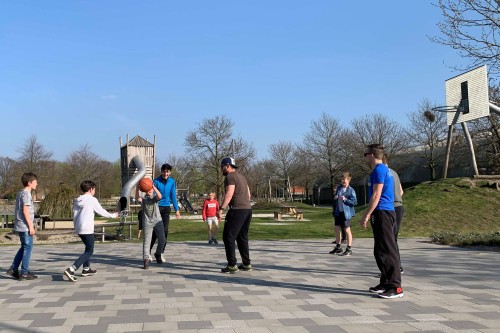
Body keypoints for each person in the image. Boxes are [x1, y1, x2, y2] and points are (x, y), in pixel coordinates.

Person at [360, 144, 403, 299]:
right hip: (382, 212)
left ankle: (395, 287)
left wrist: (365, 215)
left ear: (371, 155)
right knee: (380, 250)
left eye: (365, 154)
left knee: (388, 249)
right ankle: (385, 282)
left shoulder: (379, 170)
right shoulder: (384, 169)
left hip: (383, 212)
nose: (364, 157)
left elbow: (376, 195)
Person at [64, 180, 119, 282]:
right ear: (90, 189)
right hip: (87, 228)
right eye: (94, 189)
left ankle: (86, 269)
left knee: (87, 247)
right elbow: (101, 211)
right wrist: (113, 215)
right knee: (90, 250)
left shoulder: (78, 200)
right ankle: (72, 269)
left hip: (79, 228)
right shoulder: (91, 200)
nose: (95, 191)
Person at [219, 157, 252, 273]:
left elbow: (229, 193)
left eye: (222, 166)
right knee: (242, 237)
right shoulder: (242, 177)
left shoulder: (230, 177)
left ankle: (232, 265)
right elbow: (248, 194)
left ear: (227, 166)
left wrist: (221, 208)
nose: (221, 169)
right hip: (247, 209)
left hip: (237, 210)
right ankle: (246, 263)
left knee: (228, 237)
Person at [6, 172, 39, 280]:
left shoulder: (20, 193)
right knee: (28, 248)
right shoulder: (26, 194)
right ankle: (24, 272)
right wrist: (31, 227)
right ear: (29, 183)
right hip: (24, 226)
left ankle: (14, 269)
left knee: (24, 247)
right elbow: (25, 211)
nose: (37, 184)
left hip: (20, 225)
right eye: (35, 182)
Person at [151, 163, 181, 261]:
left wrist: (177, 210)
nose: (166, 173)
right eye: (164, 171)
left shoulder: (172, 181)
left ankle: (160, 252)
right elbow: (152, 194)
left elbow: (173, 196)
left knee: (165, 231)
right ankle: (148, 252)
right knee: (155, 232)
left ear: (170, 172)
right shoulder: (156, 181)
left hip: (166, 208)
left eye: (167, 172)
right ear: (162, 171)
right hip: (157, 208)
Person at [383, 154, 404, 274]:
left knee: (388, 240)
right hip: (399, 206)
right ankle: (398, 266)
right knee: (393, 239)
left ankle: (393, 268)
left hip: (390, 207)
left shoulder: (384, 173)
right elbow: (401, 191)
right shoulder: (394, 173)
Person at [137, 184, 165, 269]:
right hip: (147, 222)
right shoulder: (144, 200)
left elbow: (160, 196)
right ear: (145, 190)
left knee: (162, 240)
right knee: (147, 241)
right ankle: (146, 259)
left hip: (157, 221)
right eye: (147, 190)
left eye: (150, 190)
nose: (149, 191)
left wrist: (153, 187)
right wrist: (137, 189)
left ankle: (158, 253)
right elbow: (138, 198)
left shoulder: (154, 198)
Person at [330, 172, 357, 256]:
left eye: (344, 179)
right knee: (337, 229)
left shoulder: (351, 190)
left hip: (346, 213)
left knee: (347, 230)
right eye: (341, 179)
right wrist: (335, 198)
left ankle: (349, 248)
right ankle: (338, 247)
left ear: (348, 179)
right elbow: (336, 199)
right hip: (338, 212)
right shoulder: (339, 188)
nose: (342, 181)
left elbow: (355, 202)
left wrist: (345, 199)